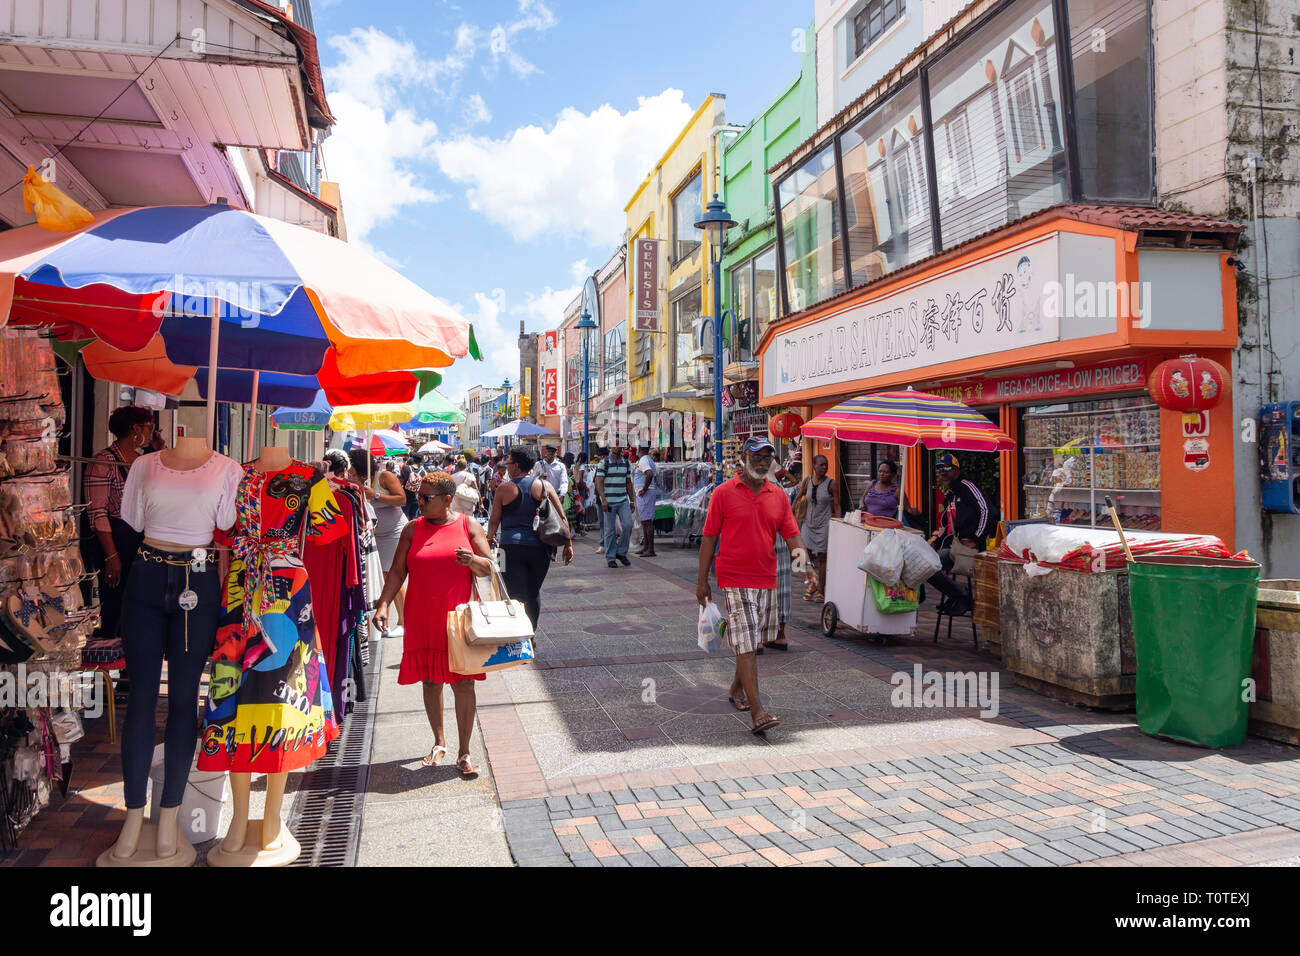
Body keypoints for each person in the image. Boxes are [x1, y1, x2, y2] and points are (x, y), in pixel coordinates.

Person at [372, 471, 494, 775]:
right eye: (419, 496)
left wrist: (472, 561)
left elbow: (489, 567)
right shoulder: (412, 529)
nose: (420, 502)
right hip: (422, 617)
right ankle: (439, 741)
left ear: (447, 500)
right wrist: (384, 604)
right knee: (430, 680)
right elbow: (398, 571)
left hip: (458, 619)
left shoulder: (468, 525)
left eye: (426, 498)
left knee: (463, 683)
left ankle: (464, 752)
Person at [697, 436, 813, 733]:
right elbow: (709, 537)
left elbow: (792, 535)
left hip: (766, 578)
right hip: (734, 578)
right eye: (757, 456)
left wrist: (805, 567)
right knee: (747, 640)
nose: (763, 461)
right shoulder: (723, 493)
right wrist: (701, 582)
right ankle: (758, 711)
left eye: (768, 457)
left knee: (750, 639)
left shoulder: (777, 496)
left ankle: (736, 688)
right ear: (745, 459)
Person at [82, 406, 155, 671]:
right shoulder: (104, 462)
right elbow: (97, 512)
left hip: (139, 541)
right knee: (114, 608)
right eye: (149, 427)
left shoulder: (141, 461)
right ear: (136, 429)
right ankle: (102, 676)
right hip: (115, 540)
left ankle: (128, 671)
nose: (152, 432)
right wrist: (112, 556)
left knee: (137, 608)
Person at [488, 447, 573, 629]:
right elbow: (562, 517)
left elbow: (494, 520)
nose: (507, 467)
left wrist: (489, 539)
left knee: (513, 594)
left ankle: (520, 635)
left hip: (509, 548)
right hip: (540, 548)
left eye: (509, 463)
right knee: (533, 592)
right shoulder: (545, 486)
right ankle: (531, 633)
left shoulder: (503, 489)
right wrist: (568, 544)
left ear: (516, 466)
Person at [926, 453, 994, 615]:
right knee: (922, 564)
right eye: (939, 468)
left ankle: (961, 596)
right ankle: (958, 595)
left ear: (957, 470)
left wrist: (976, 538)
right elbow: (949, 526)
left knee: (927, 566)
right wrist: (936, 538)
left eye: (947, 467)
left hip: (966, 549)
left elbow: (988, 511)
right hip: (952, 547)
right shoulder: (949, 495)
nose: (942, 471)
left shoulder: (966, 487)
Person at [351, 447, 409, 635]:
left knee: (392, 575)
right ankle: (384, 623)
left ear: (361, 469)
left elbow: (402, 499)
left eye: (352, 472)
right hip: (376, 534)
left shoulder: (384, 477)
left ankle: (404, 621)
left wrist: (375, 495)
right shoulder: (354, 483)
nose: (349, 475)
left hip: (395, 531)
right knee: (383, 576)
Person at [796, 453, 841, 602]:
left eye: (826, 465)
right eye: (821, 465)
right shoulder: (807, 480)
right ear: (814, 466)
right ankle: (813, 583)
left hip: (824, 525)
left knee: (822, 557)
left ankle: (821, 590)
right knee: (803, 555)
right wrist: (789, 510)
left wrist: (838, 525)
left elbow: (837, 506)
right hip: (808, 524)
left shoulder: (831, 483)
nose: (825, 467)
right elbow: (799, 496)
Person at [595, 443, 635, 568]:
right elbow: (599, 482)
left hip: (623, 500)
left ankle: (621, 552)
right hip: (609, 501)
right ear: (610, 447)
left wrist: (632, 500)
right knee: (610, 530)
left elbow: (628, 482)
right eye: (615, 445)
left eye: (619, 445)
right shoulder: (604, 463)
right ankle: (611, 557)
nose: (617, 447)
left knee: (628, 525)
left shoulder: (626, 463)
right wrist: (604, 500)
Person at [633, 444, 659, 557]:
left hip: (646, 494)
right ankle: (646, 547)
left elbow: (649, 474)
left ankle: (650, 549)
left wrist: (644, 489)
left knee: (647, 522)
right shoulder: (648, 459)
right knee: (645, 521)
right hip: (646, 493)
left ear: (639, 450)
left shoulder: (644, 460)